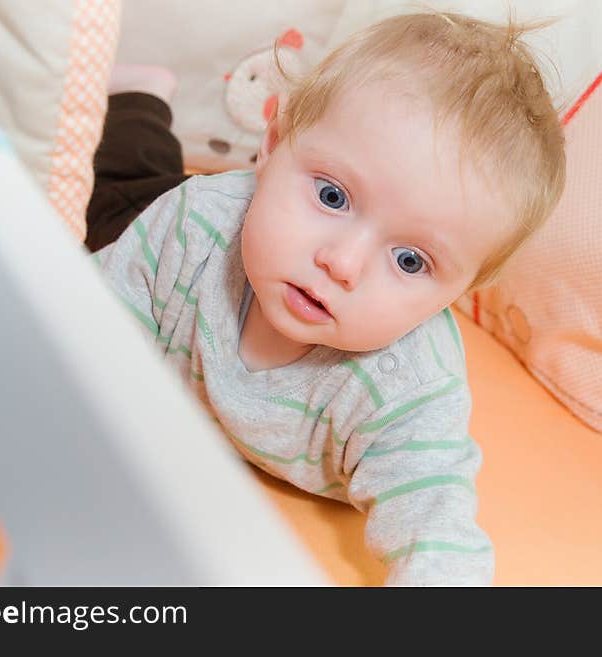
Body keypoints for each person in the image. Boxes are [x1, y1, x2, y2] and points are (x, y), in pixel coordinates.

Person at [89, 11, 566, 585]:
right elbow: (82, 328)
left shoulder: (406, 389)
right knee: (118, 190)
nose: (341, 264)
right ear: (272, 144)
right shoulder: (196, 226)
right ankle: (140, 99)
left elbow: (439, 534)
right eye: (334, 196)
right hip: (183, 222)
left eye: (410, 260)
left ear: (457, 294)